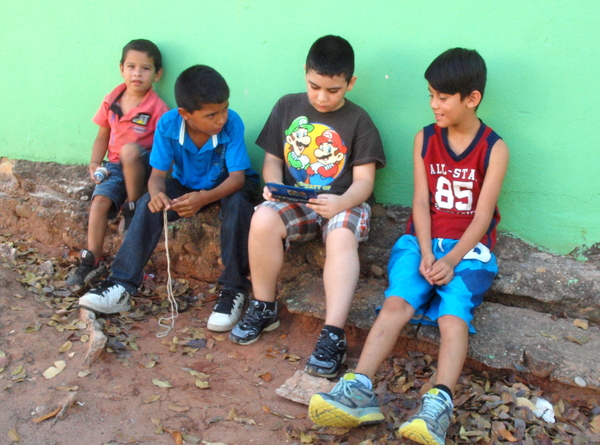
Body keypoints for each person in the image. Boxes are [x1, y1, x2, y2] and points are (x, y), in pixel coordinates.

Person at [308, 48, 510, 445]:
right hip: (421, 240)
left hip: (469, 251)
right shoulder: (425, 138)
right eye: (430, 95)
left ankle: (438, 406)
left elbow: (483, 216)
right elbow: (420, 201)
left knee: (454, 315)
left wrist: (450, 260)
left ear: (472, 98)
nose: (434, 104)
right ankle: (359, 389)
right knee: (397, 301)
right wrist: (428, 251)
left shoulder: (494, 148)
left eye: (443, 97)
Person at [229, 35, 386, 379]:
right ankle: (263, 305)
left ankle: (332, 334)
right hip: (296, 199)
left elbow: (364, 182)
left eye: (333, 90)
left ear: (350, 83)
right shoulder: (287, 106)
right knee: (263, 219)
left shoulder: (359, 120)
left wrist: (342, 202)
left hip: (342, 200)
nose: (322, 97)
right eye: (314, 86)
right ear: (305, 74)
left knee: (342, 238)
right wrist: (272, 188)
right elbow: (272, 160)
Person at [79, 65, 258, 332]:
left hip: (230, 185)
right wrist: (155, 194)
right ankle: (121, 284)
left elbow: (237, 179)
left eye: (224, 108)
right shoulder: (169, 124)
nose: (221, 118)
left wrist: (203, 198)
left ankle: (233, 290)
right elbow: (157, 176)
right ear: (186, 114)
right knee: (147, 206)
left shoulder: (232, 122)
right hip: (187, 183)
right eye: (212, 114)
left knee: (238, 206)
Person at [66, 39, 169, 287]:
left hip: (143, 168)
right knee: (99, 201)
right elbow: (102, 135)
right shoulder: (112, 99)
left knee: (131, 151)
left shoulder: (158, 108)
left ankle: (132, 210)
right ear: (121, 68)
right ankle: (92, 260)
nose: (137, 73)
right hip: (113, 167)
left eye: (145, 68)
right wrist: (94, 162)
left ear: (157, 74)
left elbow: (164, 148)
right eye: (131, 66)